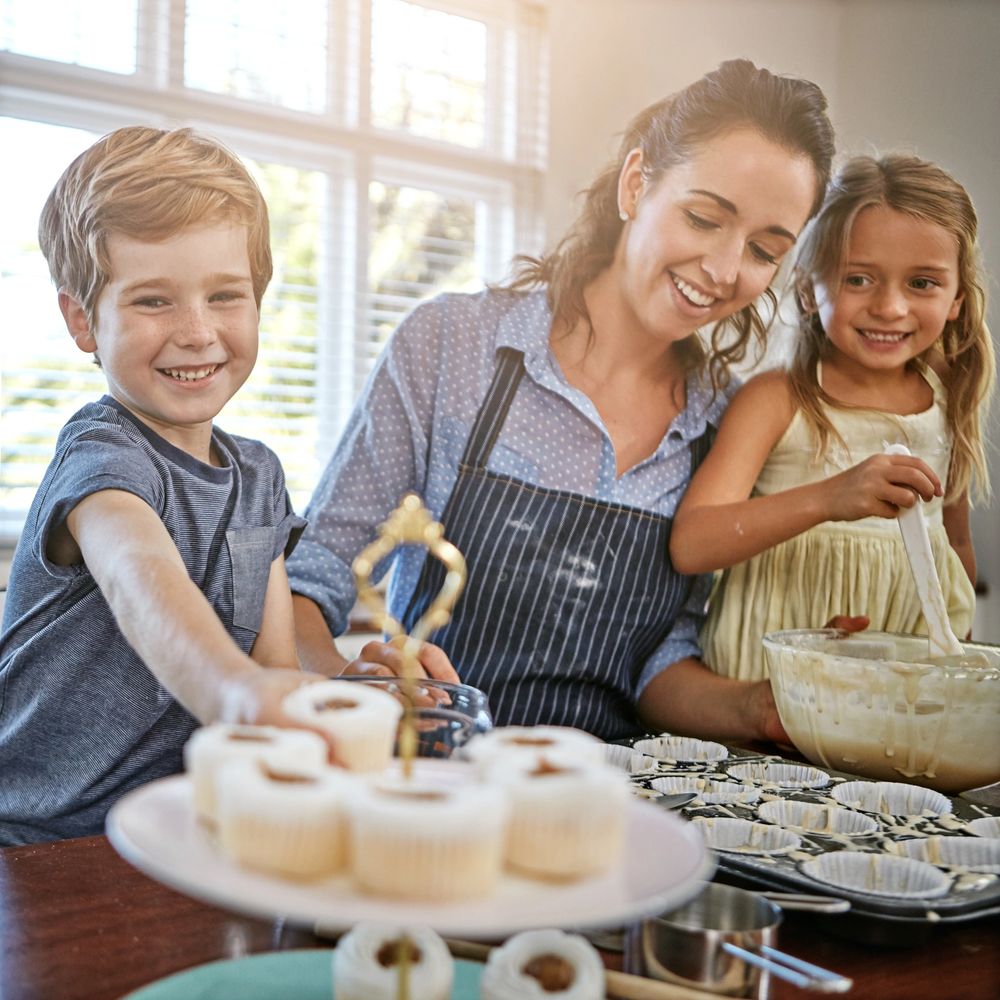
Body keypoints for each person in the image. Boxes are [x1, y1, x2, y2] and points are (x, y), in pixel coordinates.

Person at [287, 59, 837, 744]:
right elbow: (309, 585)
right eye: (703, 218)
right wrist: (346, 689)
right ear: (636, 185)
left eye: (763, 249)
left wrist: (763, 707)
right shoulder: (453, 346)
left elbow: (657, 669)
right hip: (435, 780)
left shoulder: (724, 424)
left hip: (603, 795)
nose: (726, 271)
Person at [0, 126, 329, 845]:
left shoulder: (261, 478)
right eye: (154, 301)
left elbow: (274, 668)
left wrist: (358, 695)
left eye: (225, 296)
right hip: (40, 848)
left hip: (187, 834)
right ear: (84, 320)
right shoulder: (101, 456)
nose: (197, 332)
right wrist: (230, 691)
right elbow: (136, 574)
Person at [670, 154, 995, 681]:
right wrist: (830, 497)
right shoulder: (778, 400)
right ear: (807, 287)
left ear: (957, 297)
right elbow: (692, 543)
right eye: (859, 278)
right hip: (769, 682)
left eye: (922, 284)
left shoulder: (948, 395)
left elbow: (954, 546)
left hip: (902, 687)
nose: (890, 307)